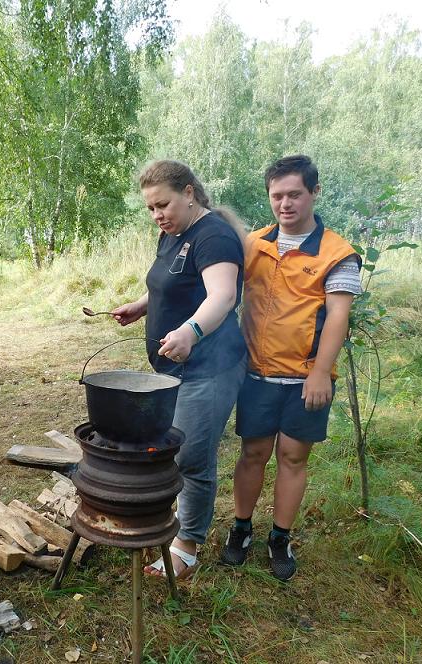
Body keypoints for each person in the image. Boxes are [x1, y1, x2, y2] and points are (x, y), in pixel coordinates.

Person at [220, 155, 362, 581]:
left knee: (293, 457)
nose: (285, 204)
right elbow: (218, 285)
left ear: (314, 193)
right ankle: (241, 528)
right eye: (277, 195)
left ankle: (280, 537)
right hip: (257, 374)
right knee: (253, 452)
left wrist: (320, 371)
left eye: (294, 194)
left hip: (306, 379)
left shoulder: (338, 254)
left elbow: (338, 317)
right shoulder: (253, 244)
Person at [111, 160, 248, 580]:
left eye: (163, 205)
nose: (157, 215)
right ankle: (171, 524)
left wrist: (190, 332)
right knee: (173, 447)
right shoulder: (173, 233)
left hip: (210, 369)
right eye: (151, 208)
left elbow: (221, 297)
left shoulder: (214, 236)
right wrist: (143, 304)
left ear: (189, 193)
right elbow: (170, 283)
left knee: (192, 456)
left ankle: (187, 544)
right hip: (173, 369)